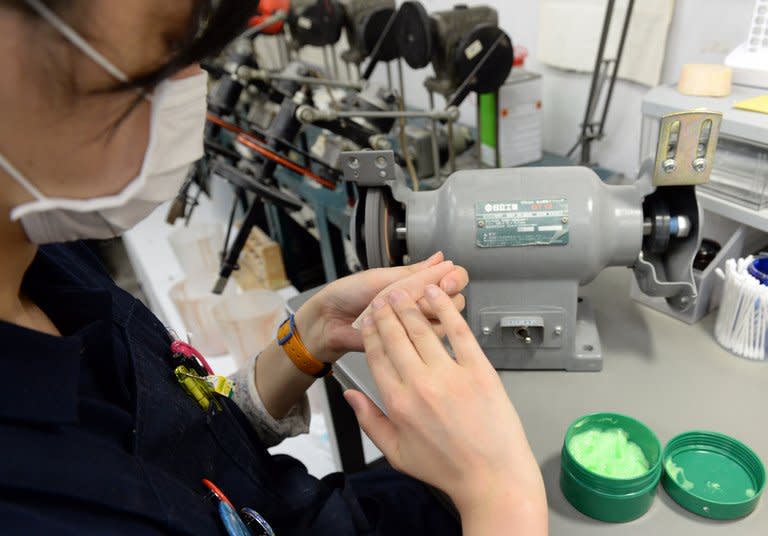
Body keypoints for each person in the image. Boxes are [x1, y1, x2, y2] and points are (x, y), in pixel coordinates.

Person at [0, 1, 547, 534]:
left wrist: (305, 340)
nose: (197, 83)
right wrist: (502, 497)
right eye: (170, 50)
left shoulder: (45, 260)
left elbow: (180, 438)